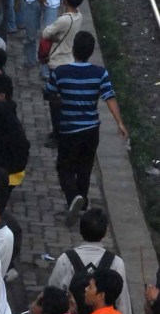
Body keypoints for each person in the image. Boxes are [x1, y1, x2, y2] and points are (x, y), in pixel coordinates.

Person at [45, 31, 128, 222]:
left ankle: (74, 198)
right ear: (91, 52)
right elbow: (109, 97)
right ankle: (82, 206)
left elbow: (49, 92)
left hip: (69, 130)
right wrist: (120, 122)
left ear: (73, 50)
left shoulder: (60, 72)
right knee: (85, 167)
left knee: (64, 168)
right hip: (91, 130)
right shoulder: (99, 73)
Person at [48, 206, 133, 314]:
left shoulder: (66, 259)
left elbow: (52, 296)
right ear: (104, 233)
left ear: (81, 231)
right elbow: (122, 302)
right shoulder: (116, 263)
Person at [39, 0, 85, 121]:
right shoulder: (79, 16)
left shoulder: (63, 20)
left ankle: (57, 132)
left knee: (54, 100)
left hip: (58, 62)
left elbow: (46, 33)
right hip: (69, 59)